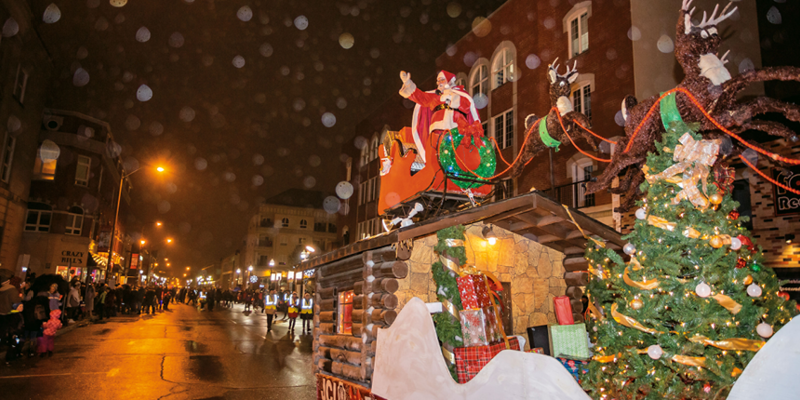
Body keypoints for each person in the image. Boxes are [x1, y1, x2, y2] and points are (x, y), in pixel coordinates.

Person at [398, 69, 484, 167]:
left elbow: (467, 105)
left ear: (449, 81)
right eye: (438, 81)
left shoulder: (459, 93)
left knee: (455, 148)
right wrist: (408, 83)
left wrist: (452, 98)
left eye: (442, 80)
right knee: (436, 149)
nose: (439, 83)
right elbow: (421, 97)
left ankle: (456, 166)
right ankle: (437, 166)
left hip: (455, 125)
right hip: (436, 127)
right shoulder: (435, 96)